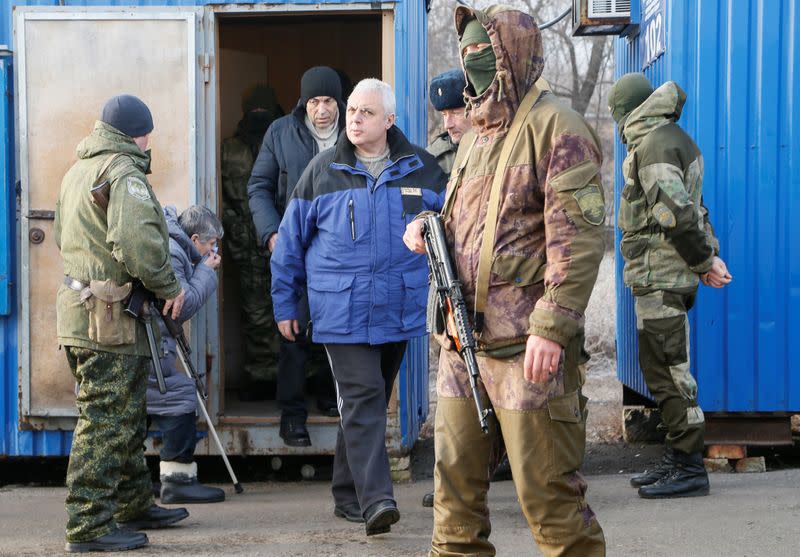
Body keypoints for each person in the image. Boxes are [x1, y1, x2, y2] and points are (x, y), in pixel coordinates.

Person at [404, 6, 607, 555]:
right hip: (461, 346)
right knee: (454, 498)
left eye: (484, 58)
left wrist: (552, 325)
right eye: (466, 58)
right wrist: (429, 229)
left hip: (527, 353)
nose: (473, 71)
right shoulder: (473, 137)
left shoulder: (557, 128)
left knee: (548, 499)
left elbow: (579, 238)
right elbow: (472, 225)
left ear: (513, 56)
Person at [271, 78, 446, 535]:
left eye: (365, 113)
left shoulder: (422, 170)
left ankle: (346, 493)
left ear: (389, 120)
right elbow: (289, 243)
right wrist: (285, 303)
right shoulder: (322, 170)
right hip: (340, 312)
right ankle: (376, 500)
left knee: (363, 404)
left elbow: (454, 229)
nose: (353, 119)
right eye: (351, 111)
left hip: (398, 310)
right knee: (365, 398)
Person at [55, 94, 189, 553]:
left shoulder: (80, 170)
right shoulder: (123, 171)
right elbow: (136, 243)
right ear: (140, 132)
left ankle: (133, 502)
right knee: (105, 420)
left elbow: (61, 237)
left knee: (125, 413)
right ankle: (89, 525)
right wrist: (170, 286)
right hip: (105, 319)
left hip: (84, 312)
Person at [608, 73, 732, 499]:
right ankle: (679, 457)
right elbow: (695, 209)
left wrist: (704, 260)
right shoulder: (664, 137)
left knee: (670, 371)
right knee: (661, 368)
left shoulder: (655, 143)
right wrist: (707, 255)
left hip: (662, 276)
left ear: (626, 113)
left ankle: (689, 465)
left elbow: (677, 213)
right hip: (657, 275)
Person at [248, 66, 343, 447]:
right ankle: (292, 415)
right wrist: (271, 233)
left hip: (339, 250)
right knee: (293, 330)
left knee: (336, 328)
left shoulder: (353, 133)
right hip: (295, 246)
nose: (322, 110)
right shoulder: (281, 132)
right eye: (314, 102)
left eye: (329, 101)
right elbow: (258, 185)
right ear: (303, 102)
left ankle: (328, 395)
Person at [146, 205, 226, 505]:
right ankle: (178, 480)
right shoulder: (176, 252)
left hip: (150, 343)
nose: (213, 250)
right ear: (194, 239)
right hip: (149, 345)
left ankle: (132, 479)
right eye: (210, 244)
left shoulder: (171, 243)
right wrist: (205, 271)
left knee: (140, 404)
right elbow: (181, 307)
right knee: (180, 395)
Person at [221, 84, 283, 401]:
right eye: (254, 111)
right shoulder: (229, 150)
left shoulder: (286, 142)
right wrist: (233, 231)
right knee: (256, 316)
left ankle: (304, 379)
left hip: (285, 244)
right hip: (247, 249)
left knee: (295, 312)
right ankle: (262, 380)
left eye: (264, 111)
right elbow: (220, 198)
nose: (259, 116)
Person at [426, 68, 471, 174]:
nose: (447, 125)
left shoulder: (494, 150)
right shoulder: (431, 160)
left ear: (476, 109)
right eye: (444, 115)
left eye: (455, 113)